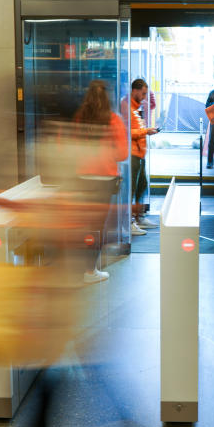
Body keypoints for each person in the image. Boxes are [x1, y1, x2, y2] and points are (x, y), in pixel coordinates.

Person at [73, 80, 128, 283]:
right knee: (97, 226)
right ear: (109, 98)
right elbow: (122, 154)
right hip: (104, 179)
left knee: (85, 224)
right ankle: (90, 271)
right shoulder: (114, 120)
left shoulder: (79, 118)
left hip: (82, 178)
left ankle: (80, 267)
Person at [129, 78, 158, 236]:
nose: (145, 97)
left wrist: (146, 130)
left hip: (139, 155)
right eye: (143, 93)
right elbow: (128, 132)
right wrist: (146, 131)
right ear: (135, 90)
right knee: (133, 189)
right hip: (132, 155)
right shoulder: (127, 108)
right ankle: (130, 222)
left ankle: (138, 217)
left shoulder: (135, 109)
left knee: (141, 187)